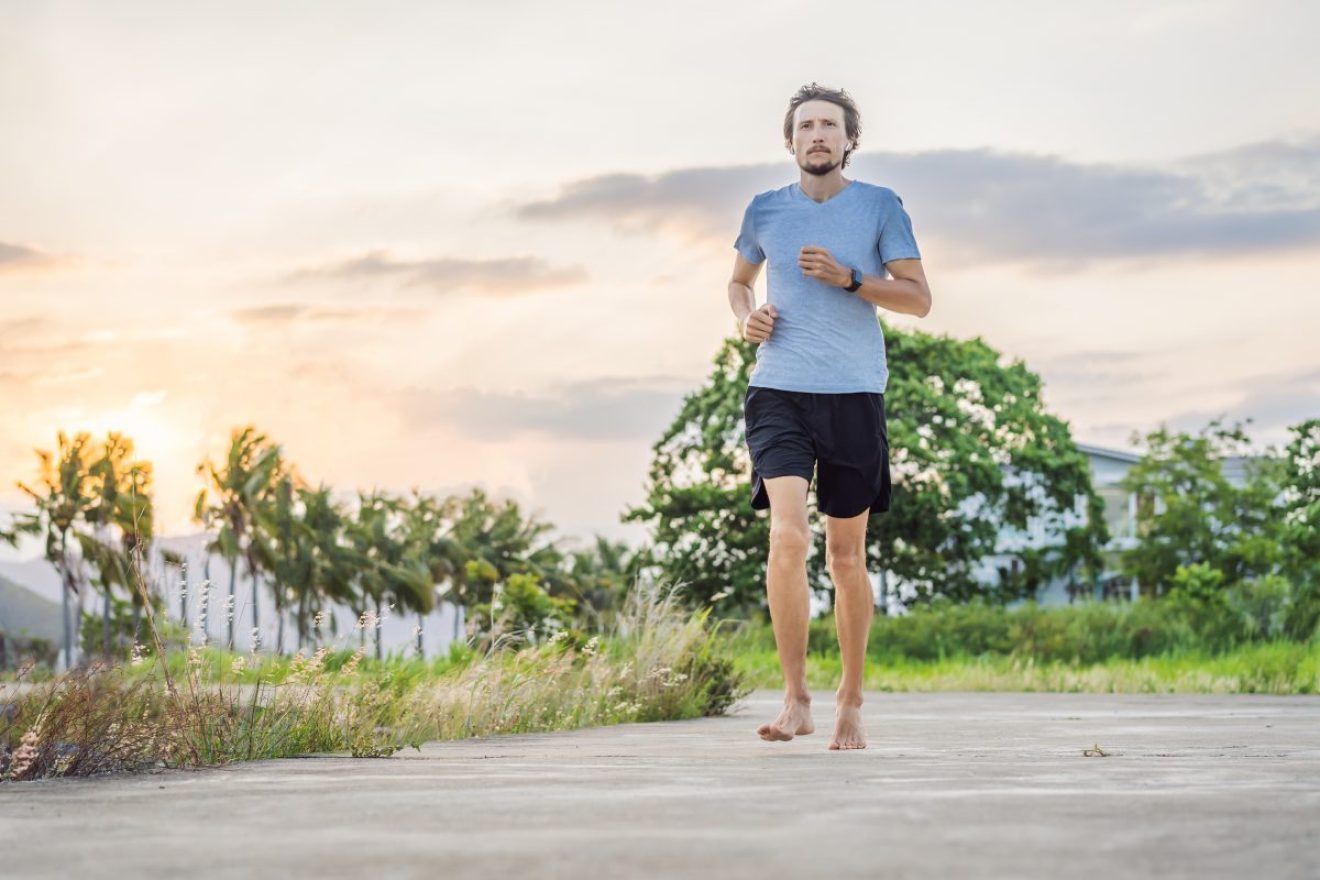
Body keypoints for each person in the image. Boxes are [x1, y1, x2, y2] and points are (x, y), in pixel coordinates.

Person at [728, 83, 932, 750]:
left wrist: (850, 279)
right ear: (790, 141)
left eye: (830, 126)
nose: (818, 135)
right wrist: (745, 317)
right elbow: (738, 280)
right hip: (778, 389)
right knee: (787, 537)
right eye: (806, 125)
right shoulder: (765, 211)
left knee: (845, 557)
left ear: (849, 141)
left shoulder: (879, 207)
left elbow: (918, 300)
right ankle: (795, 700)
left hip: (853, 395)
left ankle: (850, 701)